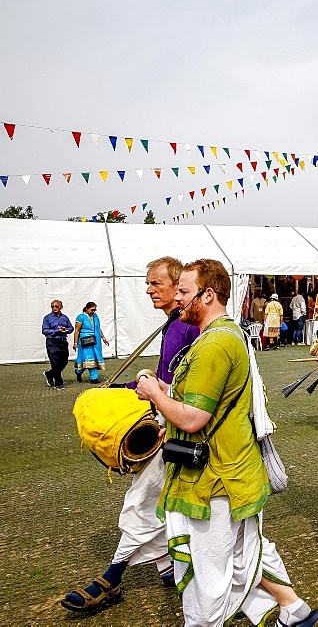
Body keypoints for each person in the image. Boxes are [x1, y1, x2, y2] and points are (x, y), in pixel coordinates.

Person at [134, 259, 318, 626]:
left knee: (207, 580)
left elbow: (193, 417)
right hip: (230, 474)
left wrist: (156, 395)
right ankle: (291, 610)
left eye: (184, 292)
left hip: (214, 480)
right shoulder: (225, 335)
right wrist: (165, 399)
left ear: (207, 295)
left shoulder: (215, 343)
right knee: (241, 560)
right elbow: (203, 403)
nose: (179, 301)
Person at [61, 256, 201, 614]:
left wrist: (150, 388)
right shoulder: (175, 324)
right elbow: (165, 377)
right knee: (163, 504)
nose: (148, 289)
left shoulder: (187, 326)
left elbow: (185, 388)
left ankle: (111, 579)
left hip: (181, 431)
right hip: (170, 424)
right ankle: (169, 568)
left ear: (178, 286)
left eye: (157, 283)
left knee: (143, 503)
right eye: (148, 283)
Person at [73, 301, 109, 383]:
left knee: (91, 359)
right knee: (89, 358)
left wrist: (103, 338)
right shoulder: (81, 317)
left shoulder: (95, 316)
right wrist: (75, 343)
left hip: (95, 341)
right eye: (92, 310)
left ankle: (78, 371)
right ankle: (94, 378)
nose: (93, 311)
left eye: (95, 310)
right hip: (85, 341)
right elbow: (77, 330)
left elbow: (97, 328)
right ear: (86, 309)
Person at [42, 299, 73, 390]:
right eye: (52, 307)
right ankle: (58, 383)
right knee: (55, 362)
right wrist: (56, 331)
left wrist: (66, 330)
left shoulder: (65, 317)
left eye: (56, 306)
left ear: (61, 307)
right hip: (52, 342)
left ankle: (49, 374)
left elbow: (71, 328)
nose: (54, 308)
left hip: (63, 342)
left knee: (64, 361)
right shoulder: (47, 318)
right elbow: (44, 330)